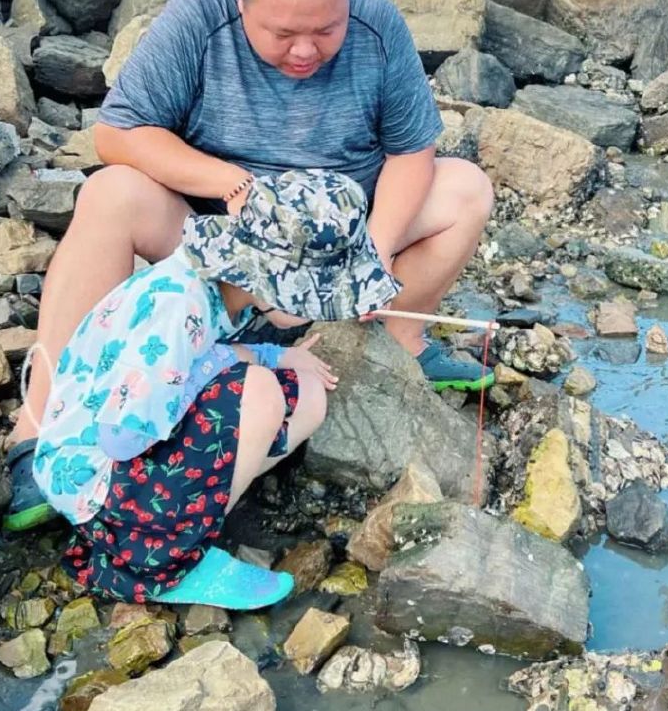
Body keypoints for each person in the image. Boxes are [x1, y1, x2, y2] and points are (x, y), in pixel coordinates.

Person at [3, 0, 495, 532]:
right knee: (110, 195)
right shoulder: (200, 16)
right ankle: (41, 429)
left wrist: (373, 252)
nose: (305, 50)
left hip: (336, 237)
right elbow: (118, 133)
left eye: (326, 29)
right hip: (223, 251)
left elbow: (410, 151)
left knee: (466, 189)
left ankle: (399, 345)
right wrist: (232, 184)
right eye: (283, 32)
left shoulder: (378, 26)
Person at [33, 169, 397, 608]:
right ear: (271, 282)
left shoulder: (222, 288)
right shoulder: (175, 307)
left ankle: (191, 513)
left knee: (307, 393)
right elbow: (122, 437)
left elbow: (204, 359)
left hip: (130, 447)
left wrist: (273, 354)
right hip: (95, 480)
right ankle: (165, 559)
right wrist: (237, 364)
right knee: (260, 393)